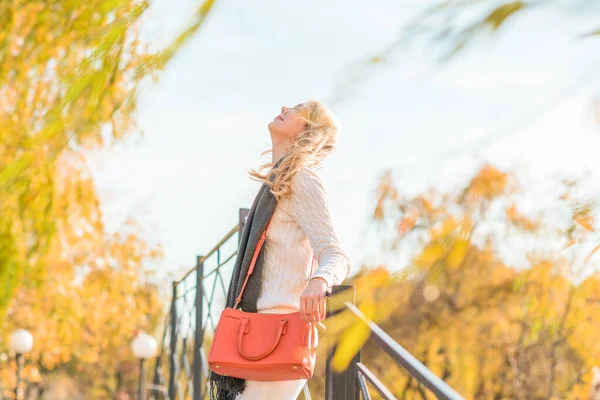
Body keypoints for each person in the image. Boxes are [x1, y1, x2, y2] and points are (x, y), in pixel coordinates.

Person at [237, 100, 352, 399]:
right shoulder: (276, 184)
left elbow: (336, 254)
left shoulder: (302, 178)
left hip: (280, 333)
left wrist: (320, 280)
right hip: (253, 329)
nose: (285, 106)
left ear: (306, 129)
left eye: (298, 108)